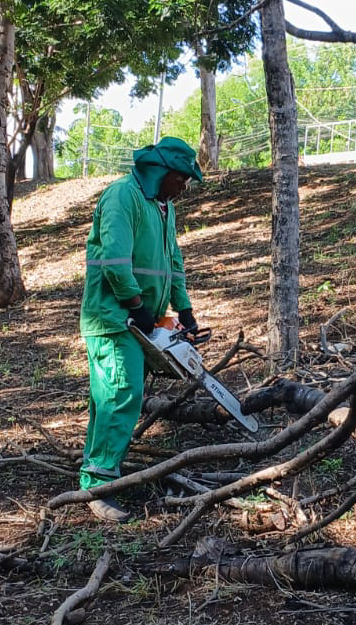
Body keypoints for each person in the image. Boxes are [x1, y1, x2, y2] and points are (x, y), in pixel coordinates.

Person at [78, 136, 205, 522]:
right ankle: (97, 485)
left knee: (115, 395)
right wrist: (136, 305)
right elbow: (115, 261)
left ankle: (103, 468)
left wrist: (184, 310)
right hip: (113, 317)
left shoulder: (163, 207)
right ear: (162, 172)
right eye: (181, 179)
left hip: (140, 318)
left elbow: (172, 260)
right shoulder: (123, 196)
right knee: (119, 393)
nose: (183, 188)